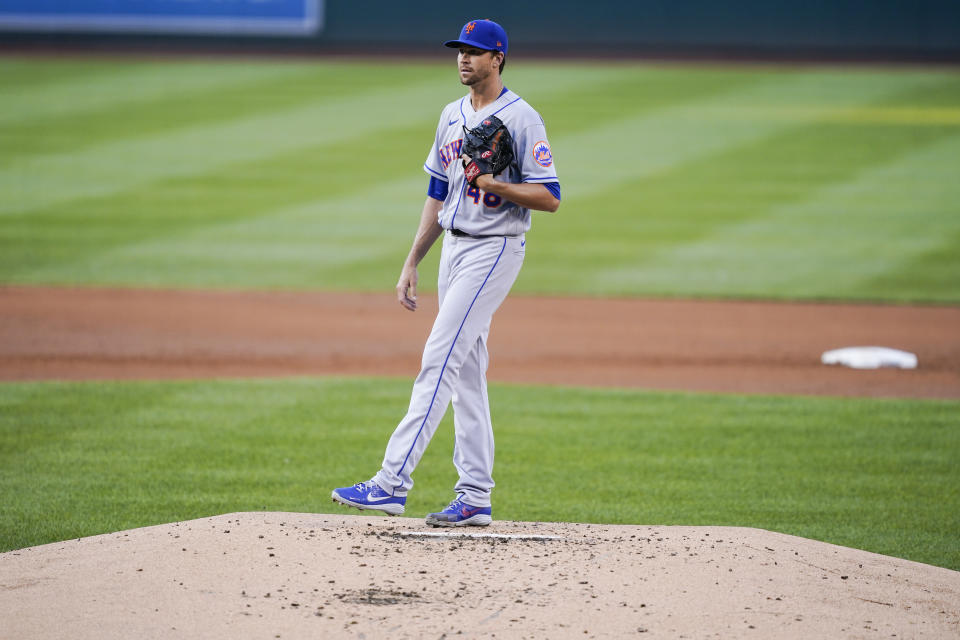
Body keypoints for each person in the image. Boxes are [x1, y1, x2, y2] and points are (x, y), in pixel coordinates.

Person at [332, 18, 560, 527]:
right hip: (453, 250)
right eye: (459, 50)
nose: (463, 58)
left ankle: (391, 483)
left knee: (438, 359)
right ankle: (476, 495)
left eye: (475, 52)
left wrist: (496, 185)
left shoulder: (523, 119)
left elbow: (550, 197)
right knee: (468, 376)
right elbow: (439, 195)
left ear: (497, 58)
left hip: (495, 249)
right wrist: (413, 259)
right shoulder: (450, 115)